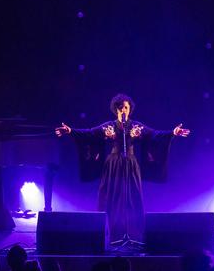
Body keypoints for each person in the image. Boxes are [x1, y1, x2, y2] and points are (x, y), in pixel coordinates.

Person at [56, 93, 190, 241]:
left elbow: (154, 135)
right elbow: (90, 134)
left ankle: (133, 234)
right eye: (120, 108)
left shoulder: (136, 126)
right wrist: (70, 131)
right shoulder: (109, 126)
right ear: (116, 109)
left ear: (130, 109)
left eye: (126, 107)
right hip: (113, 164)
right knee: (110, 197)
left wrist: (173, 132)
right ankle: (110, 234)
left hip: (131, 164)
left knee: (132, 197)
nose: (123, 110)